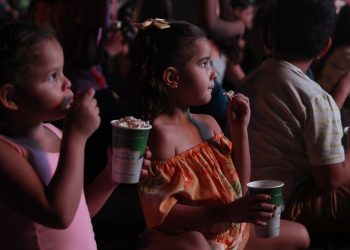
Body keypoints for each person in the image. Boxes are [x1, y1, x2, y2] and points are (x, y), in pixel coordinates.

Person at [127, 19, 310, 250]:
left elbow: (239, 189)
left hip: (231, 229)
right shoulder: (161, 135)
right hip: (198, 237)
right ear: (172, 78)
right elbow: (163, 214)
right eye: (204, 64)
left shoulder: (210, 123)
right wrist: (227, 212)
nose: (214, 73)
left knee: (301, 236)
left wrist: (240, 132)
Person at [0, 20, 155, 250]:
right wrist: (77, 137)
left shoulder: (53, 132)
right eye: (53, 76)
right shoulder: (6, 151)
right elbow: (58, 215)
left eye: (62, 72)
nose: (68, 83)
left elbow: (76, 211)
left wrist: (110, 177)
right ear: (10, 98)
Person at [239, 0, 350, 237]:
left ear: (269, 35)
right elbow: (330, 181)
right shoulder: (315, 98)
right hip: (286, 206)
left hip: (250, 199)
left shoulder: (251, 81)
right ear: (325, 47)